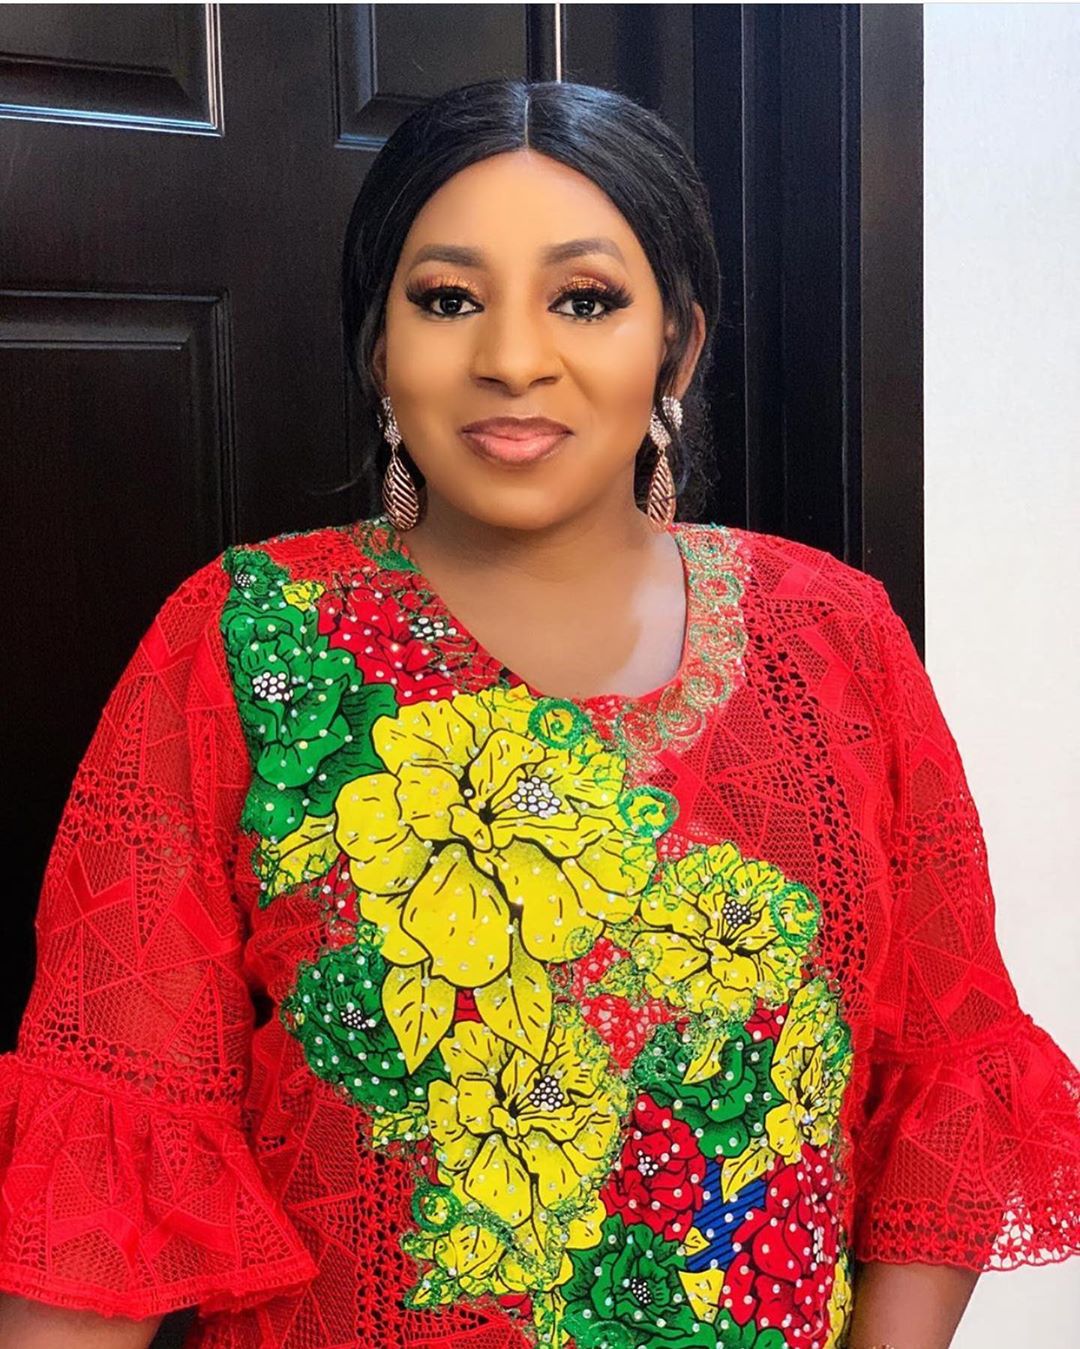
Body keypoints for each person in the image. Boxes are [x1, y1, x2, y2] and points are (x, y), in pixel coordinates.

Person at [0, 77, 1076, 1349]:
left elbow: (944, 1079)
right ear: (379, 348)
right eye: (449, 299)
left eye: (586, 298)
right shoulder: (245, 643)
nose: (513, 357)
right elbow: (105, 1150)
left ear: (677, 344)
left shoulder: (834, 635)